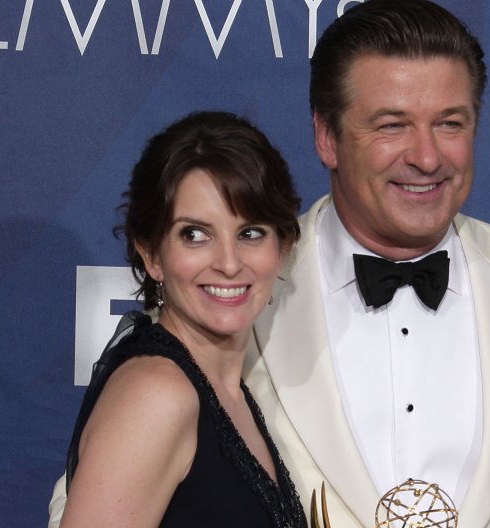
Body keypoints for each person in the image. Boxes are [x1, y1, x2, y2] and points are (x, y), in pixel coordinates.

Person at [49, 0, 490, 528]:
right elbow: (93, 493)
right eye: (391, 124)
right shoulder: (241, 291)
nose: (427, 156)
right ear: (326, 137)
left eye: (450, 123)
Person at [58, 112, 307, 527]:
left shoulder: (228, 391)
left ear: (283, 247)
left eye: (250, 233)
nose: (229, 263)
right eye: (195, 234)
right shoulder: (157, 394)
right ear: (152, 254)